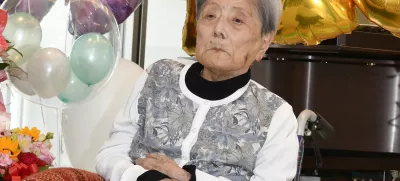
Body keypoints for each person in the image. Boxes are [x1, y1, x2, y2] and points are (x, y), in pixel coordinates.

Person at [95, 0, 299, 180]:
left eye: (237, 20)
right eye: (210, 15)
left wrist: (187, 178)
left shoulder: (276, 115)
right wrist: (144, 177)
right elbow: (111, 153)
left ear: (264, 42)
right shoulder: (159, 75)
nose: (218, 29)